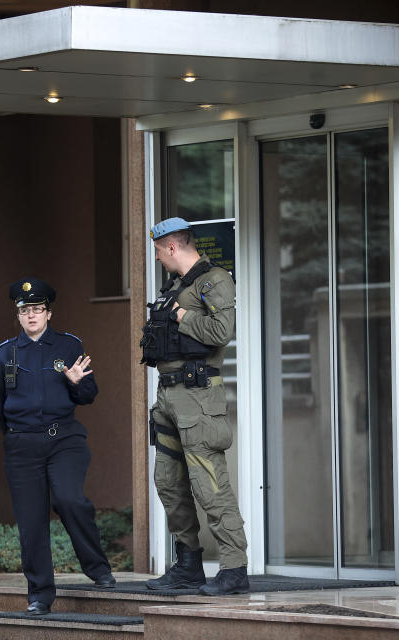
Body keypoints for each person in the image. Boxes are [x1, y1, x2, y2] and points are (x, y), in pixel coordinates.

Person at [0, 278, 115, 615]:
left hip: (64, 439)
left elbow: (89, 395)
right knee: (31, 522)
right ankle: (39, 595)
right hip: (22, 446)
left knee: (69, 499)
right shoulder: (6, 352)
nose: (31, 315)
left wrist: (77, 384)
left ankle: (97, 568)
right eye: (25, 310)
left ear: (48, 313)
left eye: (38, 309)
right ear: (19, 315)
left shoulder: (68, 347)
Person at [141, 217, 250, 596]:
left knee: (210, 484)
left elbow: (222, 332)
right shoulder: (174, 286)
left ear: (172, 247)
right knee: (168, 482)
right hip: (168, 396)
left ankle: (234, 568)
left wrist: (183, 316)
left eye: (158, 250)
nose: (157, 258)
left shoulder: (213, 280)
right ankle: (188, 563)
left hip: (199, 397)